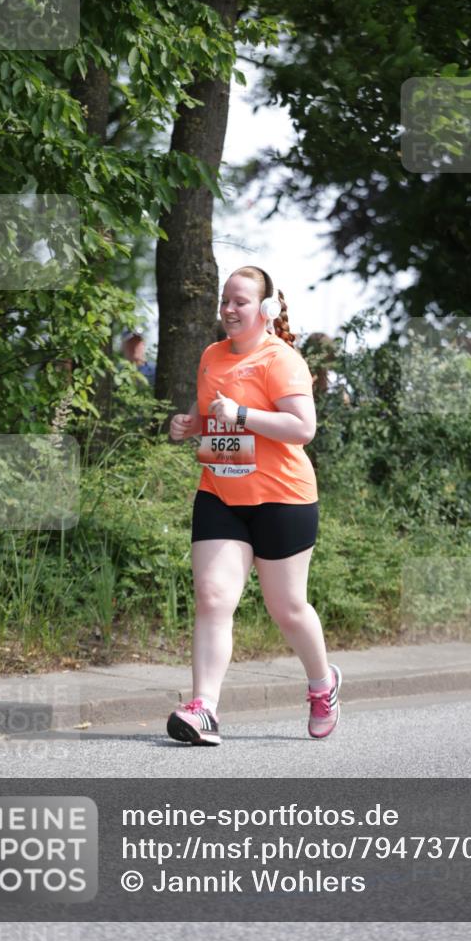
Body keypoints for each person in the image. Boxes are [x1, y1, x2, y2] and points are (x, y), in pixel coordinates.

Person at [166, 265, 342, 746]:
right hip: (220, 492)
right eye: (224, 300)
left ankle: (322, 684)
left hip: (282, 497)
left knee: (287, 608)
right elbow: (211, 419)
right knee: (213, 597)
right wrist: (189, 425)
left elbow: (302, 428)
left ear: (264, 309)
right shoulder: (211, 355)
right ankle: (204, 708)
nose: (227, 309)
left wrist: (243, 414)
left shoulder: (281, 358)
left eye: (239, 301)